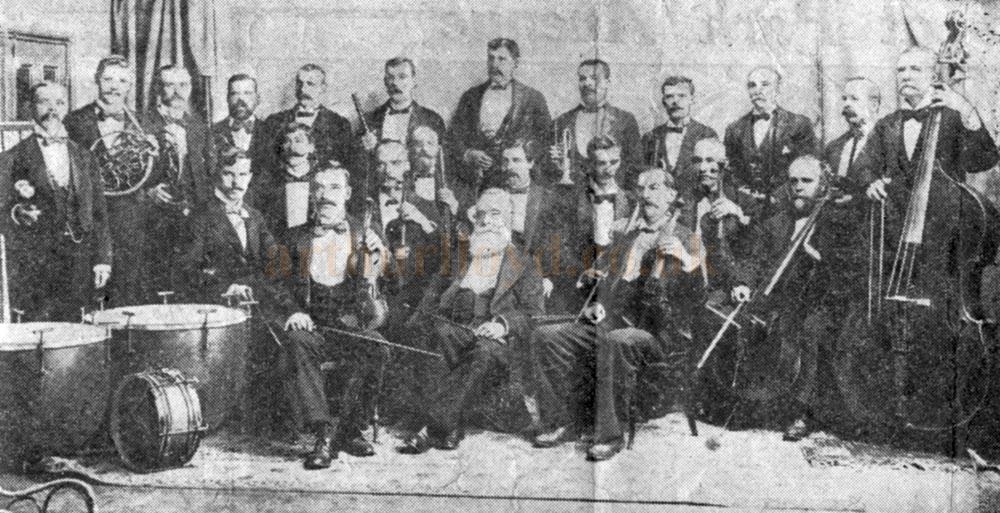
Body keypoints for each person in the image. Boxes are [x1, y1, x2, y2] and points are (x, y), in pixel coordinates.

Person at [531, 166, 700, 461]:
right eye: (642, 189)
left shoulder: (685, 237)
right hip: (613, 322)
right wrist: (596, 289)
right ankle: (560, 420)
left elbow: (697, 297)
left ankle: (609, 434)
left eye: (654, 188)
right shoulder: (627, 237)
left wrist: (686, 261)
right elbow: (608, 284)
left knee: (616, 340)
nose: (646, 195)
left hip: (657, 332)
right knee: (547, 336)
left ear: (672, 195)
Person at [397, 188, 544, 454]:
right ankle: (451, 424)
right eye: (480, 215)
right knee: (439, 332)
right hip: (456, 329)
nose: (486, 221)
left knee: (484, 350)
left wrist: (503, 324)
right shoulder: (461, 256)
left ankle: (432, 427)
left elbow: (534, 314)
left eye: (495, 214)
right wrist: (418, 322)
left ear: (509, 219)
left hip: (497, 340)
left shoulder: (524, 263)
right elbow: (432, 294)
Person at [729, 155, 859, 441]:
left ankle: (803, 411)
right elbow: (755, 260)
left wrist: (822, 260)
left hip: (824, 300)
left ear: (824, 185)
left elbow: (849, 270)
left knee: (811, 331)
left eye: (807, 181)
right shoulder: (776, 222)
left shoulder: (837, 223)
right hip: (781, 299)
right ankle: (752, 398)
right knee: (749, 324)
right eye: (794, 181)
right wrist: (743, 283)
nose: (798, 187)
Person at [274, 164, 390, 469]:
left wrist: (383, 259)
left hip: (350, 324)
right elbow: (277, 284)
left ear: (348, 194)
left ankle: (350, 428)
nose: (326, 196)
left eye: (334, 188)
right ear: (313, 193)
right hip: (311, 324)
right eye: (320, 188)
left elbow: (392, 285)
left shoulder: (364, 233)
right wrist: (294, 311)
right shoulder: (294, 237)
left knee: (376, 345)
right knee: (297, 342)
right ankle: (324, 430)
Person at [179, 147, 289, 431]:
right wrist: (226, 286)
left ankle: (265, 416)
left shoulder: (254, 216)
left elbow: (276, 263)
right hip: (215, 306)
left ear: (250, 177)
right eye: (229, 174)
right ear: (218, 176)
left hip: (253, 301)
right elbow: (186, 271)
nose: (236, 182)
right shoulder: (199, 217)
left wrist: (253, 284)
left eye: (242, 174)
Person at [0, 81, 112, 321]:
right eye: (44, 102)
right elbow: (3, 212)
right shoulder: (10, 158)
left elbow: (100, 213)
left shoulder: (85, 156)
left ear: (67, 108)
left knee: (78, 328)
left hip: (80, 260)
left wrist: (102, 259)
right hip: (35, 264)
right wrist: (17, 212)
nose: (52, 108)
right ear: (30, 107)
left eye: (59, 102)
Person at [63, 55, 153, 305]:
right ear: (96, 80)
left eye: (122, 81)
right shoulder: (74, 120)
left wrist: (156, 152)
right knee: (88, 292)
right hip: (91, 216)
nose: (114, 86)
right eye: (108, 79)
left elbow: (150, 175)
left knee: (127, 292)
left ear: (129, 86)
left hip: (130, 217)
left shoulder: (143, 123)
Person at [543, 136, 632, 314]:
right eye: (602, 163)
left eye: (614, 162)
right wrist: (582, 272)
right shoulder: (570, 198)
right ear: (590, 165)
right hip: (574, 280)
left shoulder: (631, 200)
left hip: (614, 285)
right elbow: (557, 246)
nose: (609, 170)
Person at [450, 38, 551, 194]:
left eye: (502, 59)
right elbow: (453, 137)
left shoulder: (533, 98)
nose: (494, 65)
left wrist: (522, 154)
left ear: (515, 63)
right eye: (491, 58)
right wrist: (468, 154)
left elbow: (546, 139)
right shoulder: (470, 97)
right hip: (478, 184)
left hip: (517, 184)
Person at [144, 64, 212, 293]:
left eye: (183, 85)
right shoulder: (141, 125)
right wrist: (147, 192)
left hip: (193, 222)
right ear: (157, 89)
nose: (177, 91)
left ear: (191, 88)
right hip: (153, 223)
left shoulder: (200, 128)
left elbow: (208, 177)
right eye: (169, 85)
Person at [724, 66, 816, 218]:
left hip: (786, 210)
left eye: (765, 84)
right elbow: (731, 172)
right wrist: (746, 199)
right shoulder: (734, 129)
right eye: (752, 85)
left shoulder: (799, 124)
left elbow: (807, 170)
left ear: (778, 89)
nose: (757, 90)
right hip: (745, 210)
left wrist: (776, 198)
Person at [547, 59, 640, 186]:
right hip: (571, 198)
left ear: (607, 82)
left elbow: (634, 167)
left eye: (594, 78)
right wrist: (554, 164)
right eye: (582, 79)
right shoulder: (561, 122)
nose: (587, 83)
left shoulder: (625, 120)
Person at [261, 64, 354, 176]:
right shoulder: (274, 122)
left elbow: (345, 168)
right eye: (300, 83)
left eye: (310, 84)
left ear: (322, 88)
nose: (303, 89)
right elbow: (266, 166)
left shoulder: (339, 124)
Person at [640, 76, 718, 198]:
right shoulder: (650, 137)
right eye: (669, 96)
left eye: (682, 96)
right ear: (664, 101)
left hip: (694, 208)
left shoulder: (706, 134)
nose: (675, 101)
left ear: (692, 99)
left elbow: (714, 179)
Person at [248, 122, 318, 242]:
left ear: (311, 147)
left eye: (298, 141)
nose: (291, 147)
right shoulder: (267, 180)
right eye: (287, 141)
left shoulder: (321, 178)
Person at [359, 57, 447, 152]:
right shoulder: (369, 120)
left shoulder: (432, 120)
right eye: (390, 78)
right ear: (385, 82)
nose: (395, 83)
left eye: (402, 77)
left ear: (414, 81)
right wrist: (364, 149)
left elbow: (441, 160)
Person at [823, 77, 881, 192]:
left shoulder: (888, 143)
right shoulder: (833, 147)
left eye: (854, 99)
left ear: (873, 105)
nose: (846, 104)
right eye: (844, 99)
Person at [211, 74, 267, 167]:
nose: (241, 99)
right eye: (234, 93)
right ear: (227, 98)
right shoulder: (213, 131)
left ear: (258, 98)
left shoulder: (269, 130)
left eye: (247, 93)